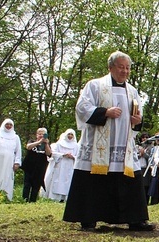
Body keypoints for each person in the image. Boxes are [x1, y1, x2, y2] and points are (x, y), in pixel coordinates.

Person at [63, 51, 154, 232]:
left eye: (127, 68)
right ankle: (88, 219)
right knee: (93, 181)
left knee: (129, 179)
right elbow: (82, 107)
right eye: (121, 67)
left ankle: (135, 219)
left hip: (123, 145)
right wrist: (105, 112)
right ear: (110, 67)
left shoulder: (132, 91)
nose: (125, 71)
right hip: (99, 144)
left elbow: (138, 116)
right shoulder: (95, 86)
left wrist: (138, 121)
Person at [42, 129, 78, 202]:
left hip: (70, 165)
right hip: (60, 164)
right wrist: (63, 155)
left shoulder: (76, 146)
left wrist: (73, 157)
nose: (70, 136)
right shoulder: (59, 144)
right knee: (57, 181)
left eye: (71, 135)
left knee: (68, 181)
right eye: (69, 134)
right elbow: (52, 153)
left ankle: (65, 198)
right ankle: (55, 197)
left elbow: (79, 156)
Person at [21, 127, 52, 202]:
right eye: (39, 134)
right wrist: (39, 142)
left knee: (36, 186)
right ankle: (24, 200)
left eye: (43, 134)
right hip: (29, 167)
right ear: (36, 135)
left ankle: (32, 201)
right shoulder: (32, 141)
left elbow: (49, 154)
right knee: (27, 185)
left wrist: (46, 144)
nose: (41, 135)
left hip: (40, 168)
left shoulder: (46, 145)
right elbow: (28, 147)